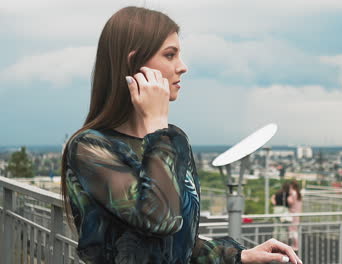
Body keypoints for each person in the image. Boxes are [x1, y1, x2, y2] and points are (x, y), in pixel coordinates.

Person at [60, 6, 302, 264]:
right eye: (170, 55)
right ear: (134, 63)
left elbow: (178, 244)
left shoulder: (174, 140)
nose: (182, 67)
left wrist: (240, 256)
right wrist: (156, 125)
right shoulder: (90, 149)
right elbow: (159, 219)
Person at [287, 180, 302, 251]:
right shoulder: (299, 193)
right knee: (295, 229)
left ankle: (295, 245)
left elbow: (291, 202)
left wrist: (288, 197)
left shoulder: (293, 193)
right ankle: (295, 244)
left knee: (293, 230)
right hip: (297, 213)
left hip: (293, 213)